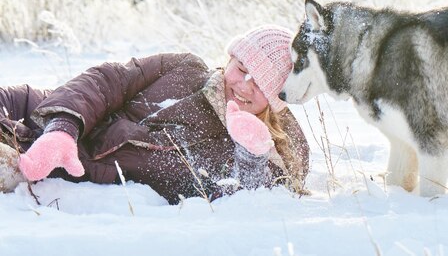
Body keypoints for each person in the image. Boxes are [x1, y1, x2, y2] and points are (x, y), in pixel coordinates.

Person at [0, 26, 309, 204]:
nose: (243, 85)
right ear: (229, 59)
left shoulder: (273, 151)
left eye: (260, 85)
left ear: (277, 97)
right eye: (241, 69)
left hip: (53, 168)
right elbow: (108, 80)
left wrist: (251, 156)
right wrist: (61, 128)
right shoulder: (183, 67)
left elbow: (254, 204)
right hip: (46, 114)